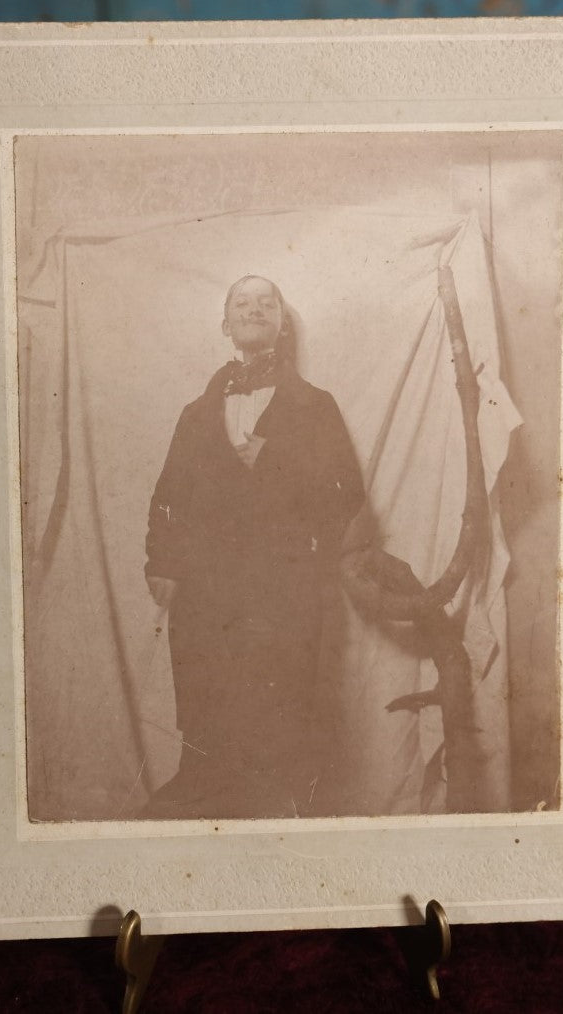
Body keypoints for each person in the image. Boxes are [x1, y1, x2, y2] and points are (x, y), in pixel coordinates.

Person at [143, 276, 364, 818]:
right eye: (242, 303)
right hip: (206, 588)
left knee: (281, 698)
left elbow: (347, 494)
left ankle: (279, 799)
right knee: (206, 692)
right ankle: (203, 786)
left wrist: (285, 479)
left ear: (282, 324)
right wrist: (162, 562)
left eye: (268, 303)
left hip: (283, 585)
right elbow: (168, 495)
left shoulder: (316, 405)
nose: (255, 309)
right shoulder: (196, 414)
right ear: (225, 325)